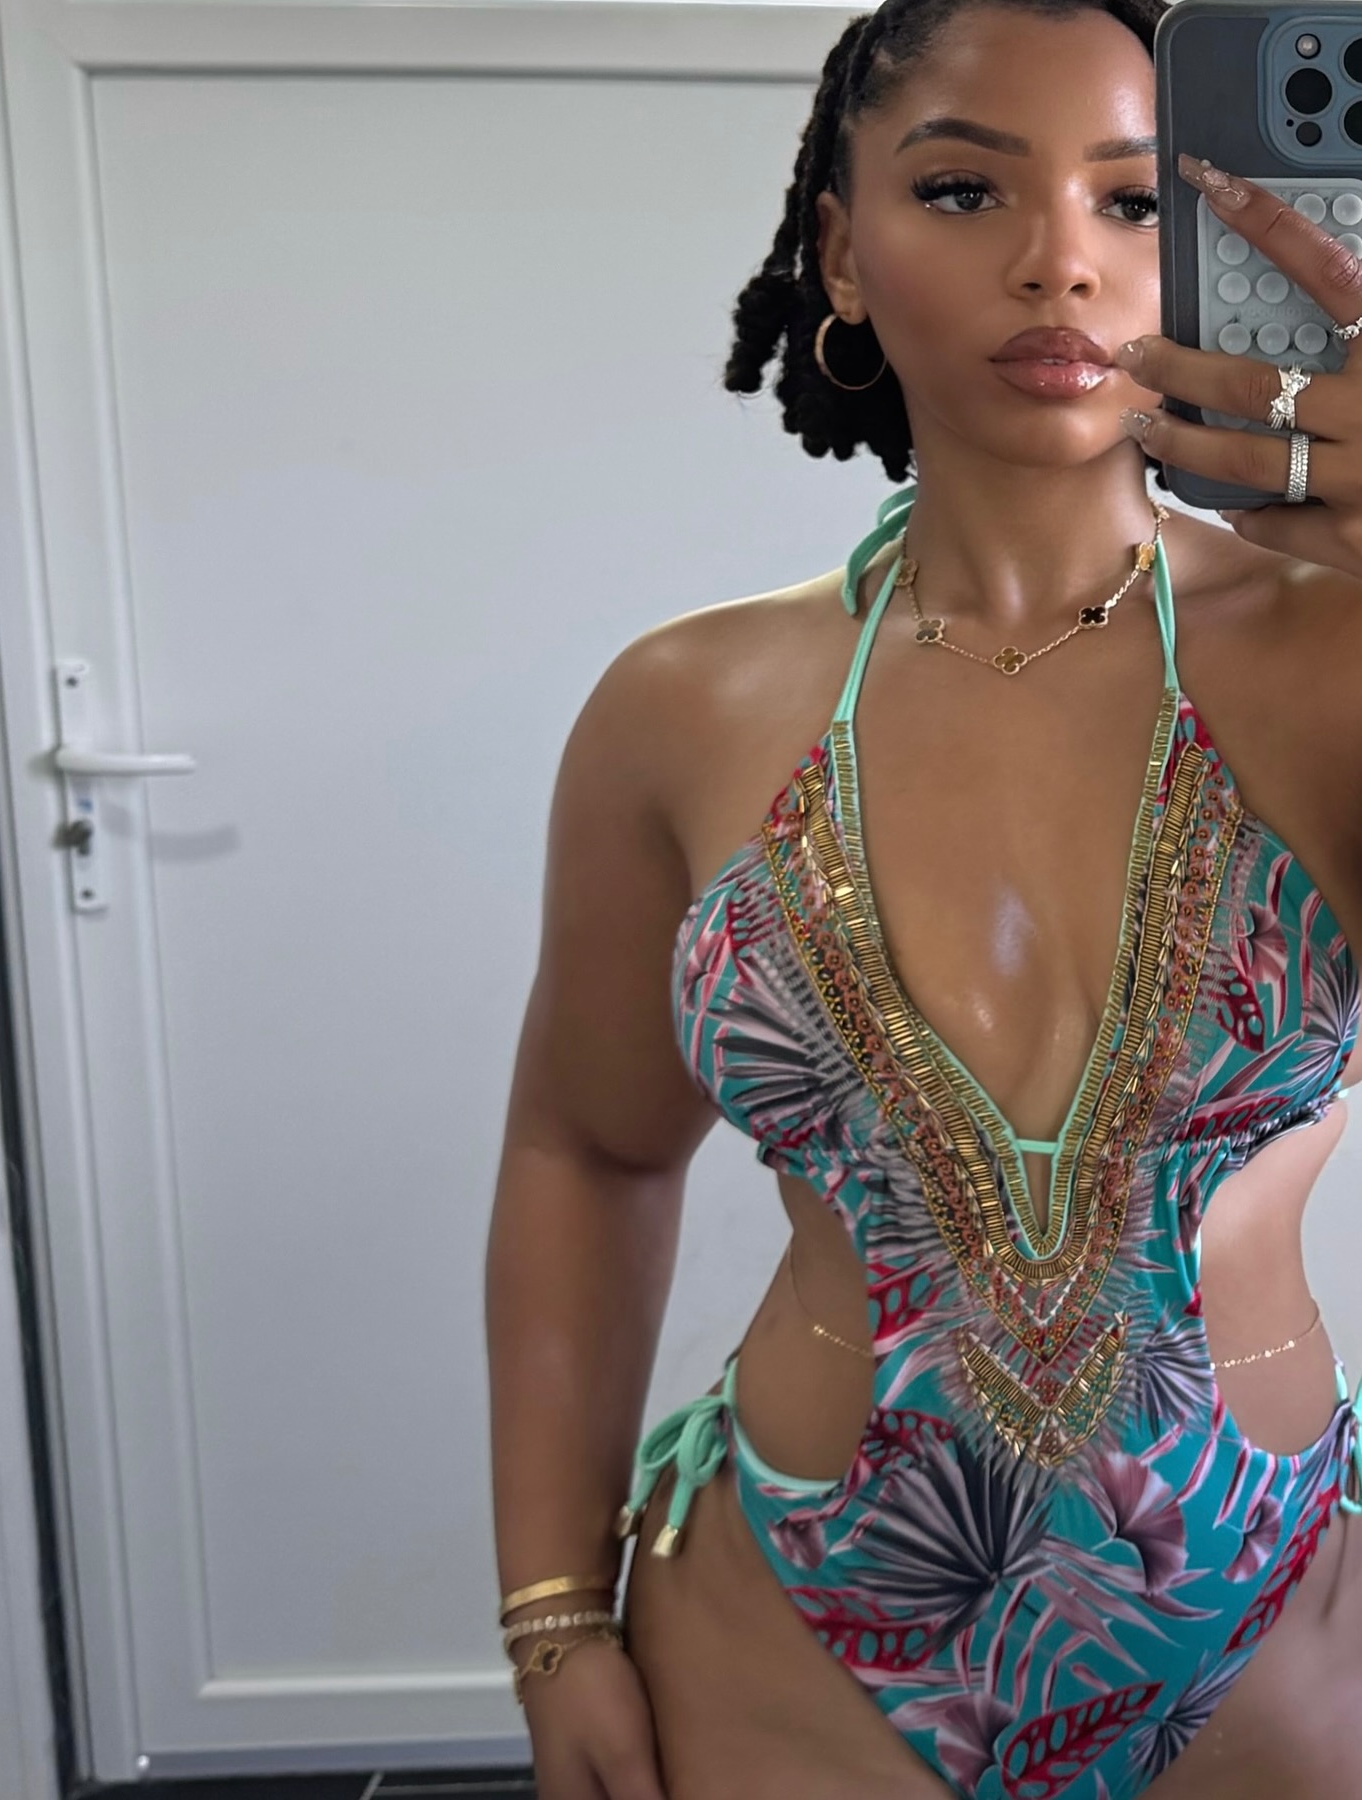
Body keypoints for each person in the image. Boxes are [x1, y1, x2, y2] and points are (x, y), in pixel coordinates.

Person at [484, 1, 1362, 1794]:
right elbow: (587, 1150)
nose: (1060, 262)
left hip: (1272, 1622)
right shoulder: (682, 708)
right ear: (841, 253)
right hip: (785, 1630)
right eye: (966, 190)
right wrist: (554, 1613)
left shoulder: (1341, 663)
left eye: (1136, 202)